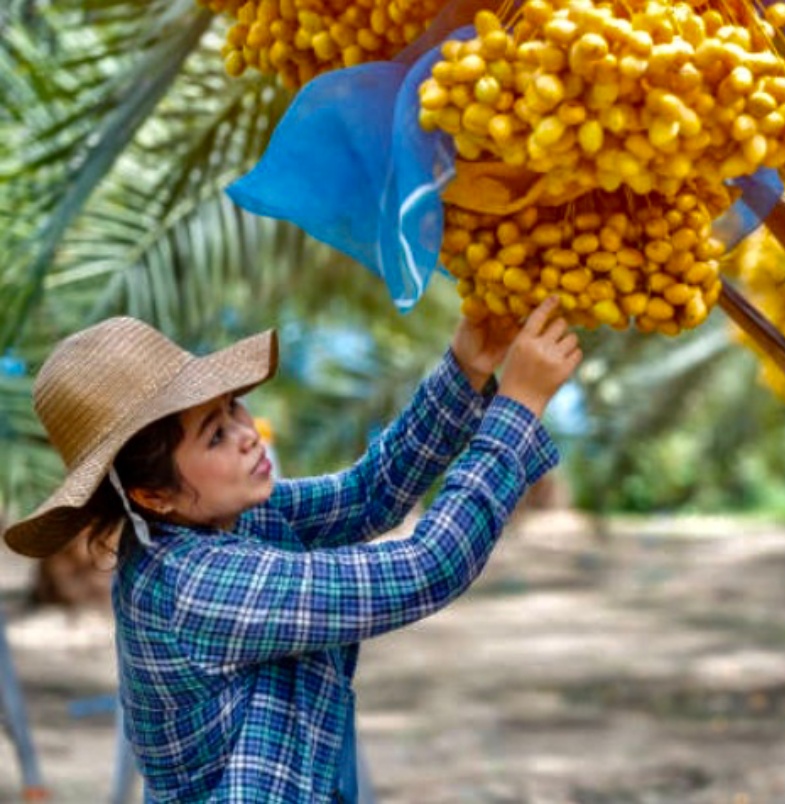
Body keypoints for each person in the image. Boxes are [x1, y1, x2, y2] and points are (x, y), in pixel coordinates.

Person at [2, 297, 581, 802]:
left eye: (232, 407)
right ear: (153, 494)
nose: (247, 433)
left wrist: (467, 367)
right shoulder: (193, 586)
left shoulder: (229, 518)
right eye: (214, 435)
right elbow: (425, 568)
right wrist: (516, 409)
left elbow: (367, 494)